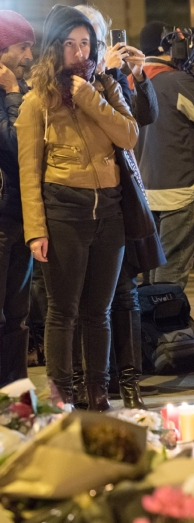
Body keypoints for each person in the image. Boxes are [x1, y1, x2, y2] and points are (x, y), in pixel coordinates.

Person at [16, 5, 138, 410]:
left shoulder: (105, 88)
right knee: (62, 311)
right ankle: (61, 394)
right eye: (70, 44)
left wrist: (91, 99)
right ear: (56, 48)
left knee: (98, 311)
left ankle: (98, 391)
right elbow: (28, 172)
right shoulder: (37, 102)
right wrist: (36, 230)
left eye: (85, 43)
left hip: (110, 213)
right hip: (63, 213)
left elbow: (129, 136)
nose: (79, 51)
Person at [74, 4, 163, 409]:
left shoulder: (109, 74)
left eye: (93, 33)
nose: (86, 44)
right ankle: (93, 382)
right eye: (78, 36)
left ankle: (130, 384)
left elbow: (143, 117)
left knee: (125, 294)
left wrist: (136, 74)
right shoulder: (71, 80)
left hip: (120, 195)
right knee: (83, 300)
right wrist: (105, 75)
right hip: (80, 198)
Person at [137, 21, 194, 290]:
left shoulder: (132, 79)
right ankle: (167, 328)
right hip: (178, 190)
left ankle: (152, 328)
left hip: (143, 192)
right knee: (171, 272)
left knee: (153, 272)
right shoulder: (176, 81)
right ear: (163, 46)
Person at [0, 10, 35, 387]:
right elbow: (18, 143)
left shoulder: (24, 91)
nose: (29, 56)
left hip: (22, 215)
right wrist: (11, 94)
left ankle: (16, 399)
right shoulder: (14, 93)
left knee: (18, 316)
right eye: (23, 47)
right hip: (2, 215)